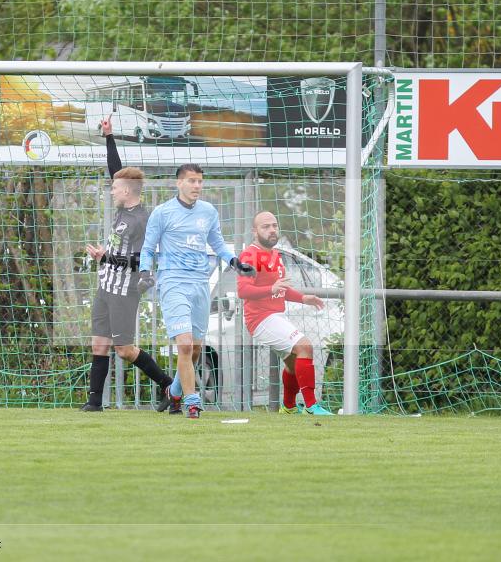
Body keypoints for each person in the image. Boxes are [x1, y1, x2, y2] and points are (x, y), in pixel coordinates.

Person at [137, 163, 255, 419]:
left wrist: (234, 262)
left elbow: (218, 243)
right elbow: (147, 249)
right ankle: (192, 402)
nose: (197, 186)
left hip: (200, 285)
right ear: (179, 183)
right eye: (191, 181)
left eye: (200, 181)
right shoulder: (162, 213)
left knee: (196, 349)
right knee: (185, 345)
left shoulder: (208, 212)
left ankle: (174, 392)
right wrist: (145, 272)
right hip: (173, 283)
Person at [81, 117, 174, 412]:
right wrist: (109, 137)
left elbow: (140, 260)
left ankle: (170, 387)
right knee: (99, 344)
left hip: (124, 292)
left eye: (114, 187)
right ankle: (94, 403)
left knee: (124, 350)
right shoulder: (124, 204)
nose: (111, 190)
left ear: (127, 191)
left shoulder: (142, 220)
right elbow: (116, 170)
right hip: (105, 287)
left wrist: (105, 257)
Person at [237, 211, 334, 415]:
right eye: (265, 226)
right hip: (260, 319)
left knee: (292, 362)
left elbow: (280, 287)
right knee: (305, 346)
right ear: (254, 231)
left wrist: (303, 298)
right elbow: (243, 290)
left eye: (274, 225)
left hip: (275, 315)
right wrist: (271, 289)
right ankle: (311, 406)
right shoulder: (249, 256)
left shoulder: (275, 254)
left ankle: (288, 407)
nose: (272, 230)